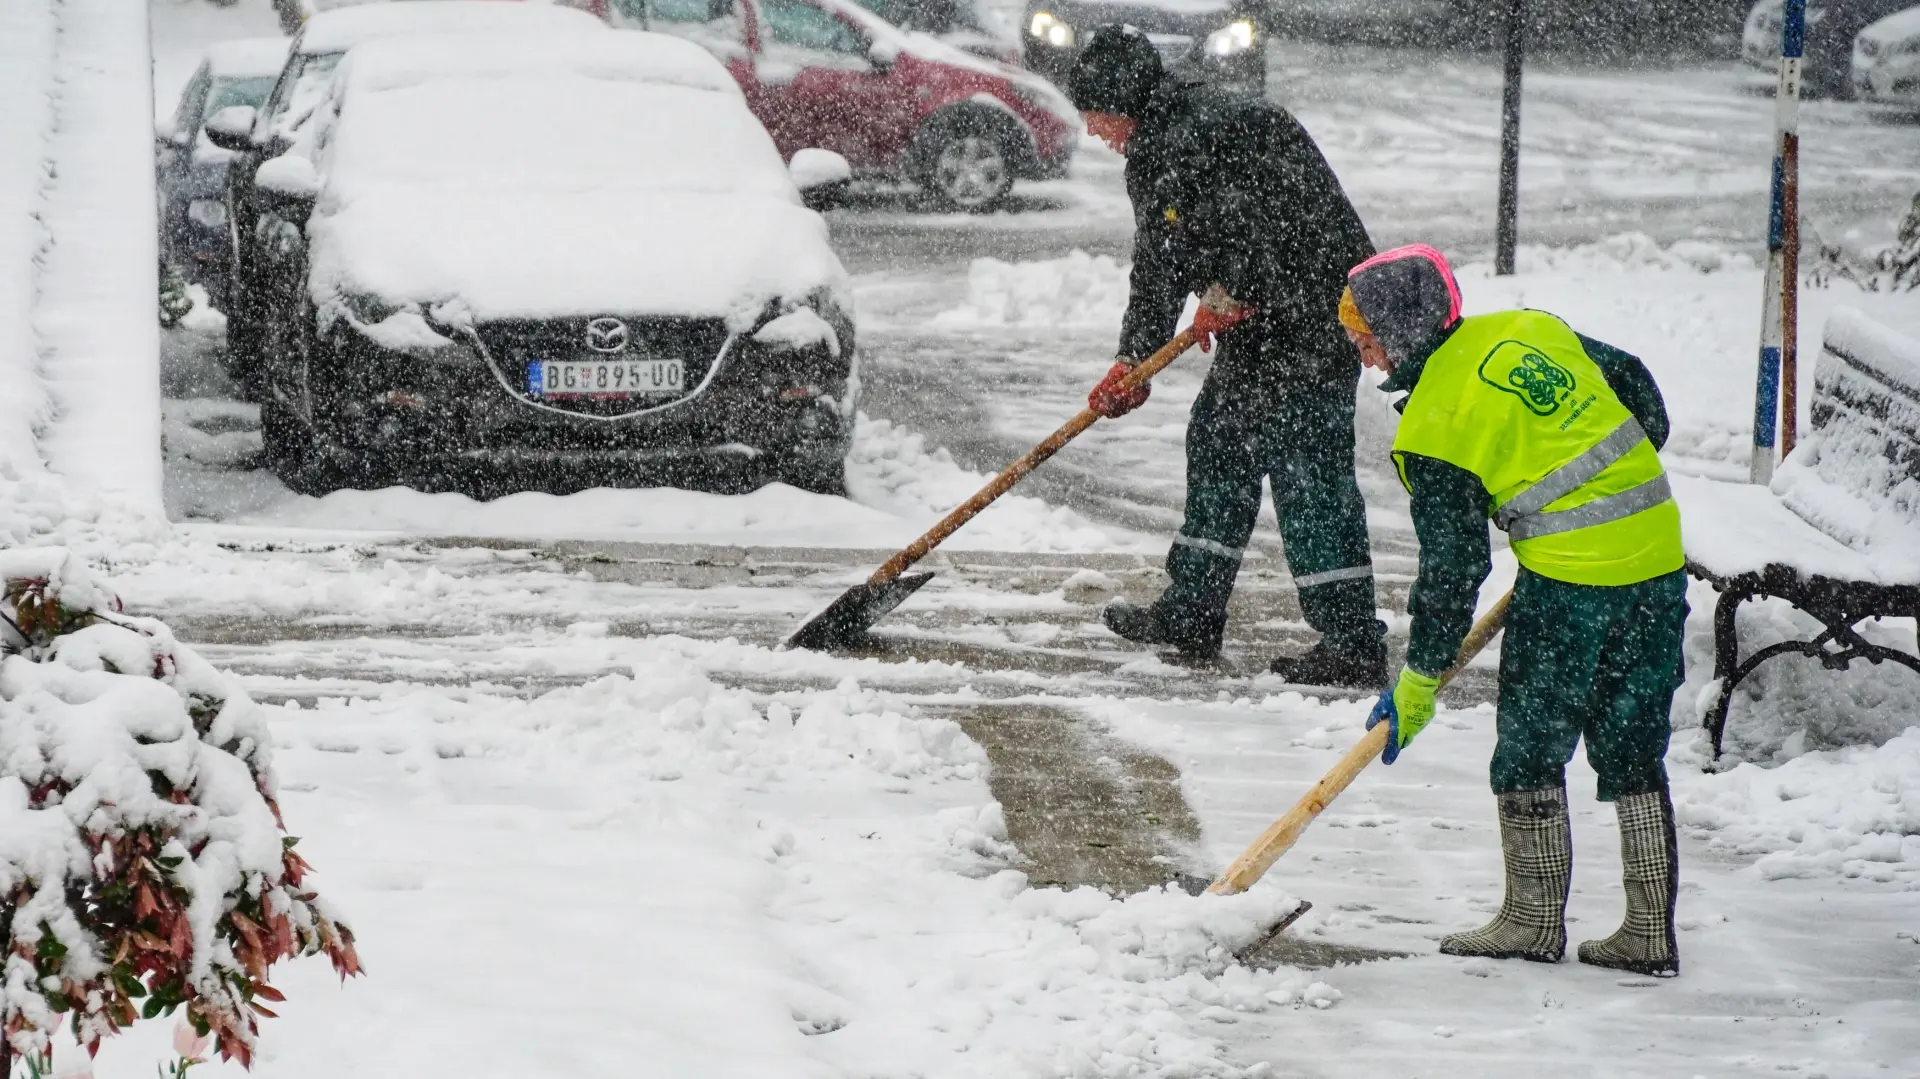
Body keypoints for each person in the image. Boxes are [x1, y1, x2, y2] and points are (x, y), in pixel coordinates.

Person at [1347, 244, 1687, 977]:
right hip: (1658, 555)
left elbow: (1454, 570)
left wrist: (1421, 678)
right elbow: (1642, 399)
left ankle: (1532, 920)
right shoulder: (1531, 327)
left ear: (1404, 330)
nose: (1365, 354)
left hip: (1571, 583)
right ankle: (1649, 928)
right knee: (1633, 740)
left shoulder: (1438, 423)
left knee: (1532, 743)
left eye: (1367, 335)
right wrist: (1598, 485)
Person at [1064, 25, 1387, 689]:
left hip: (1315, 323)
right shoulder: (1163, 148)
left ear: (1119, 101)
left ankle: (1351, 642)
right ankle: (1192, 609)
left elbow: (1277, 232)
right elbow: (1159, 263)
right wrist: (1134, 357)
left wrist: (1230, 292)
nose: (1094, 132)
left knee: (1309, 477)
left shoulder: (1211, 133)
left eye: (1095, 115)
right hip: (1261, 330)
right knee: (1219, 445)